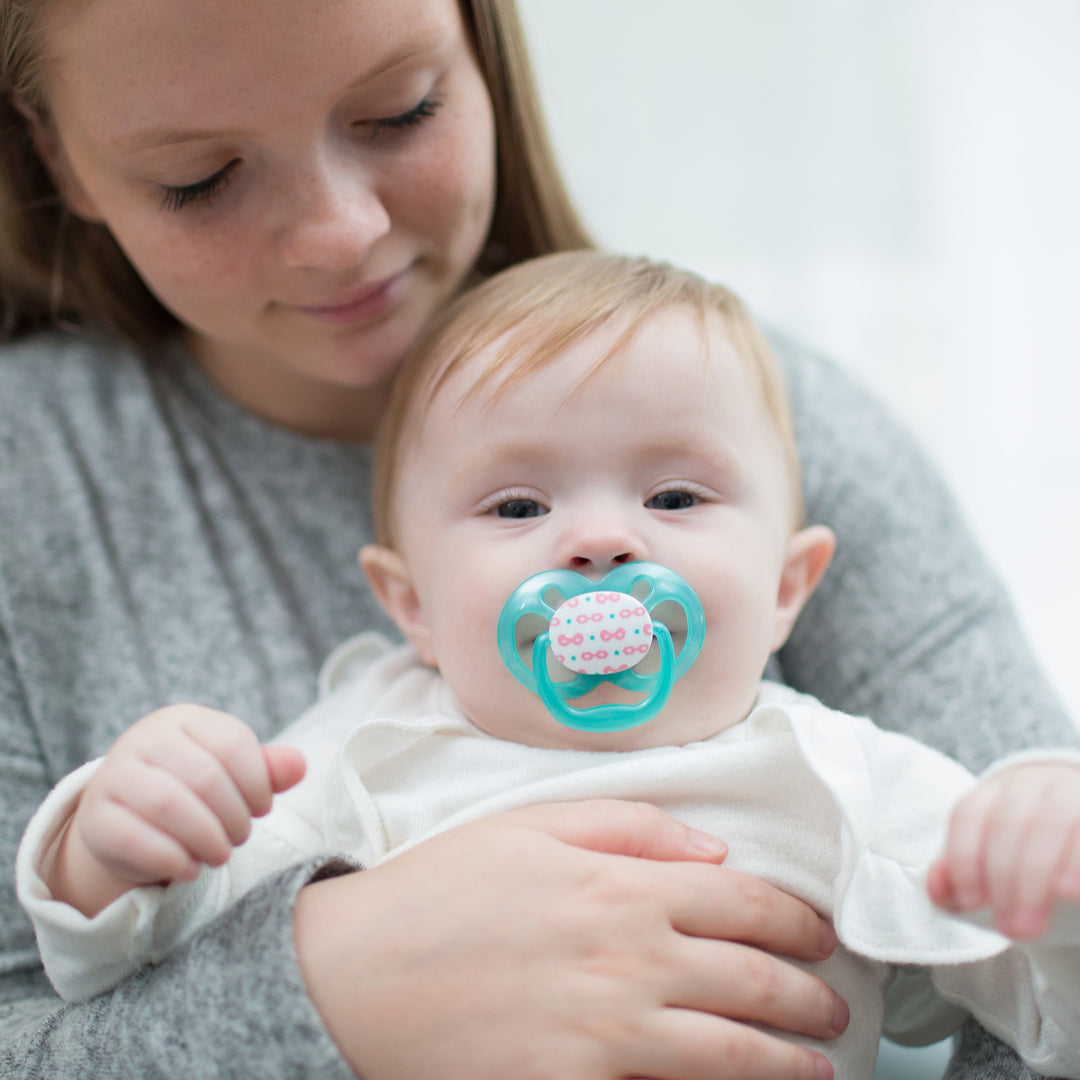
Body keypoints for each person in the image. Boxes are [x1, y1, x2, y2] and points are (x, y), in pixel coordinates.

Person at [0, 0, 1075, 1077]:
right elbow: (124, 931)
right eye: (199, 175)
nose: (342, 232)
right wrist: (288, 968)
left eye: (399, 110)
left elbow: (1032, 953)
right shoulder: (376, 744)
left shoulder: (756, 444)